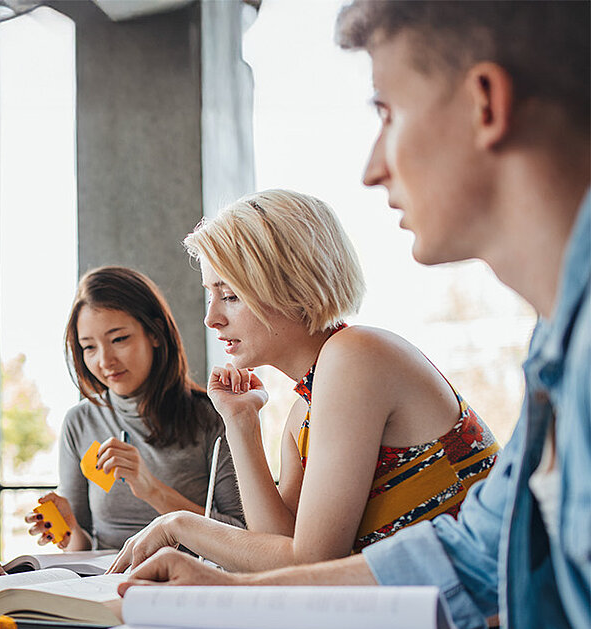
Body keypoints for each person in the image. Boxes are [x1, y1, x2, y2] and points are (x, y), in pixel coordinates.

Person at [122, 2, 588, 629]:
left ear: (485, 103)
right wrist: (239, 432)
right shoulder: (556, 341)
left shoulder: (354, 357)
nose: (372, 166)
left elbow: (307, 553)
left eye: (386, 112)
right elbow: (469, 556)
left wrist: (184, 534)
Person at [109, 189, 500, 575]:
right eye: (210, 295)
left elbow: (310, 564)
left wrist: (178, 525)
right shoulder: (304, 412)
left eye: (229, 296)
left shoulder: (357, 355)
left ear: (294, 288)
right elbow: (279, 557)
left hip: (487, 612)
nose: (211, 319)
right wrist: (241, 422)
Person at [28, 265, 244, 552]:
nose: (105, 361)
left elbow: (244, 537)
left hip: (187, 576)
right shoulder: (79, 421)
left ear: (155, 333)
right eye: (89, 347)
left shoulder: (211, 416)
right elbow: (81, 550)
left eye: (118, 339)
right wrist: (70, 531)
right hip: (106, 577)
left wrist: (151, 489)